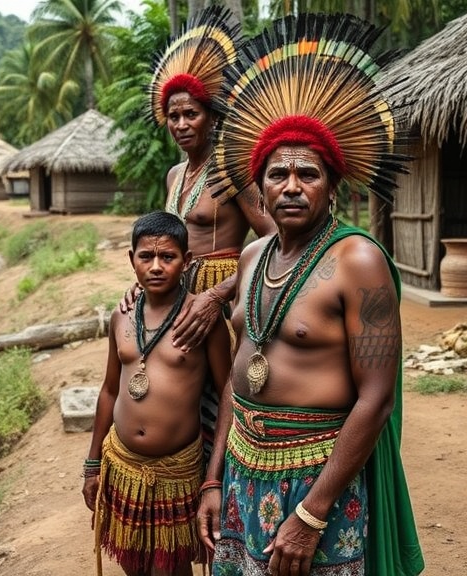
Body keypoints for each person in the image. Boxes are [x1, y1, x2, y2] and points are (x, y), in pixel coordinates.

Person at [195, 13, 424, 576]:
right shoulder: (252, 258)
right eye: (277, 174)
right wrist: (213, 477)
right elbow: (238, 375)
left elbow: (376, 399)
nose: (291, 186)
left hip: (319, 482)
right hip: (244, 471)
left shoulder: (358, 262)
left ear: (332, 184)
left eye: (308, 173)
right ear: (261, 185)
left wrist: (312, 513)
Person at [131, 5, 276, 466]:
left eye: (190, 113)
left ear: (210, 116)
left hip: (223, 299)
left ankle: (226, 492)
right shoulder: (175, 175)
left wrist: (217, 294)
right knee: (181, 394)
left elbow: (274, 239)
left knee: (227, 392)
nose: (180, 125)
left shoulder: (233, 171)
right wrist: (144, 289)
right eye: (173, 116)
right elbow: (165, 242)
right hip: (177, 296)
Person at [83, 211, 232, 576]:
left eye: (168, 257)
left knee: (172, 567)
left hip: (177, 470)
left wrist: (213, 476)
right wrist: (91, 464)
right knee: (133, 564)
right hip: (122, 464)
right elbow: (109, 390)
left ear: (187, 261)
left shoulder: (201, 318)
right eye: (145, 257)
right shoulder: (122, 315)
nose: (156, 267)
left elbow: (228, 390)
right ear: (130, 259)